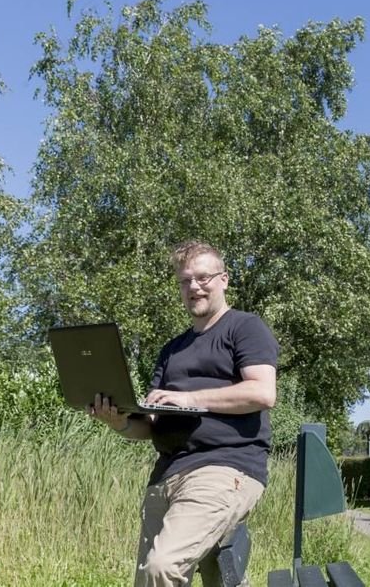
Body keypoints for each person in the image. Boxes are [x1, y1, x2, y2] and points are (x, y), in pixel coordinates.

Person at [89, 241, 278, 587]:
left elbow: (262, 392)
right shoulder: (171, 350)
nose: (194, 287)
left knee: (163, 567)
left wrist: (189, 398)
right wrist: (118, 421)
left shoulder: (244, 327)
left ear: (224, 279)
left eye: (203, 278)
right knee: (156, 579)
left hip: (224, 467)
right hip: (166, 474)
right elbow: (149, 427)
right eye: (185, 280)